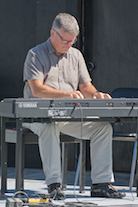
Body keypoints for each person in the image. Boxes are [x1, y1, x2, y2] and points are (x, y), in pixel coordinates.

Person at [23, 13, 125, 200]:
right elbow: (36, 90)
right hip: (36, 116)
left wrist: (96, 95)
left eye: (72, 41)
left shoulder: (76, 55)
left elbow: (85, 87)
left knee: (102, 128)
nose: (69, 45)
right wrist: (67, 94)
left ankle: (101, 184)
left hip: (66, 115)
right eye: (65, 40)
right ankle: (54, 184)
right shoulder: (35, 54)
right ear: (52, 33)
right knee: (49, 126)